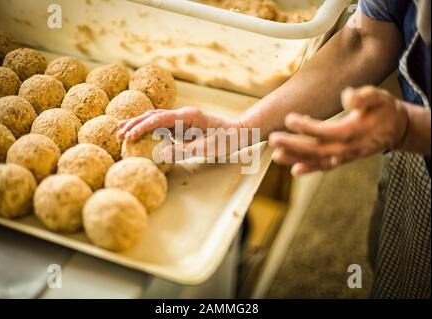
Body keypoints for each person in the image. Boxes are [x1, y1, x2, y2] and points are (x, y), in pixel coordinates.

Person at [118, 0, 431, 298]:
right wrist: (240, 128)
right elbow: (366, 39)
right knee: (397, 264)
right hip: (413, 157)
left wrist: (410, 128)